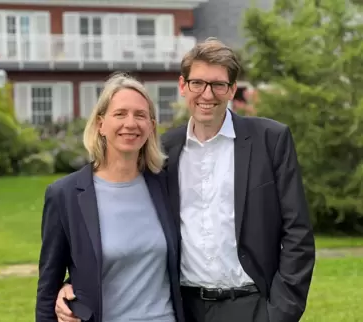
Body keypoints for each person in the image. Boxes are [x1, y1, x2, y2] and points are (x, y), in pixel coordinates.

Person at [55, 38, 316, 322]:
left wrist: (280, 313)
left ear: (231, 90)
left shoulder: (270, 140)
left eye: (218, 85)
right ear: (183, 86)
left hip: (253, 305)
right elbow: (125, 223)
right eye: (198, 83)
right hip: (184, 308)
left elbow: (298, 234)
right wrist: (74, 284)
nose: (207, 94)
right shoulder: (162, 152)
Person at [35, 72, 185, 322]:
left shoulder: (167, 186)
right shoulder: (66, 196)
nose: (131, 123)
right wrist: (69, 287)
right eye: (120, 114)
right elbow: (48, 290)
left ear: (151, 126)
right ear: (100, 124)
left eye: (140, 115)